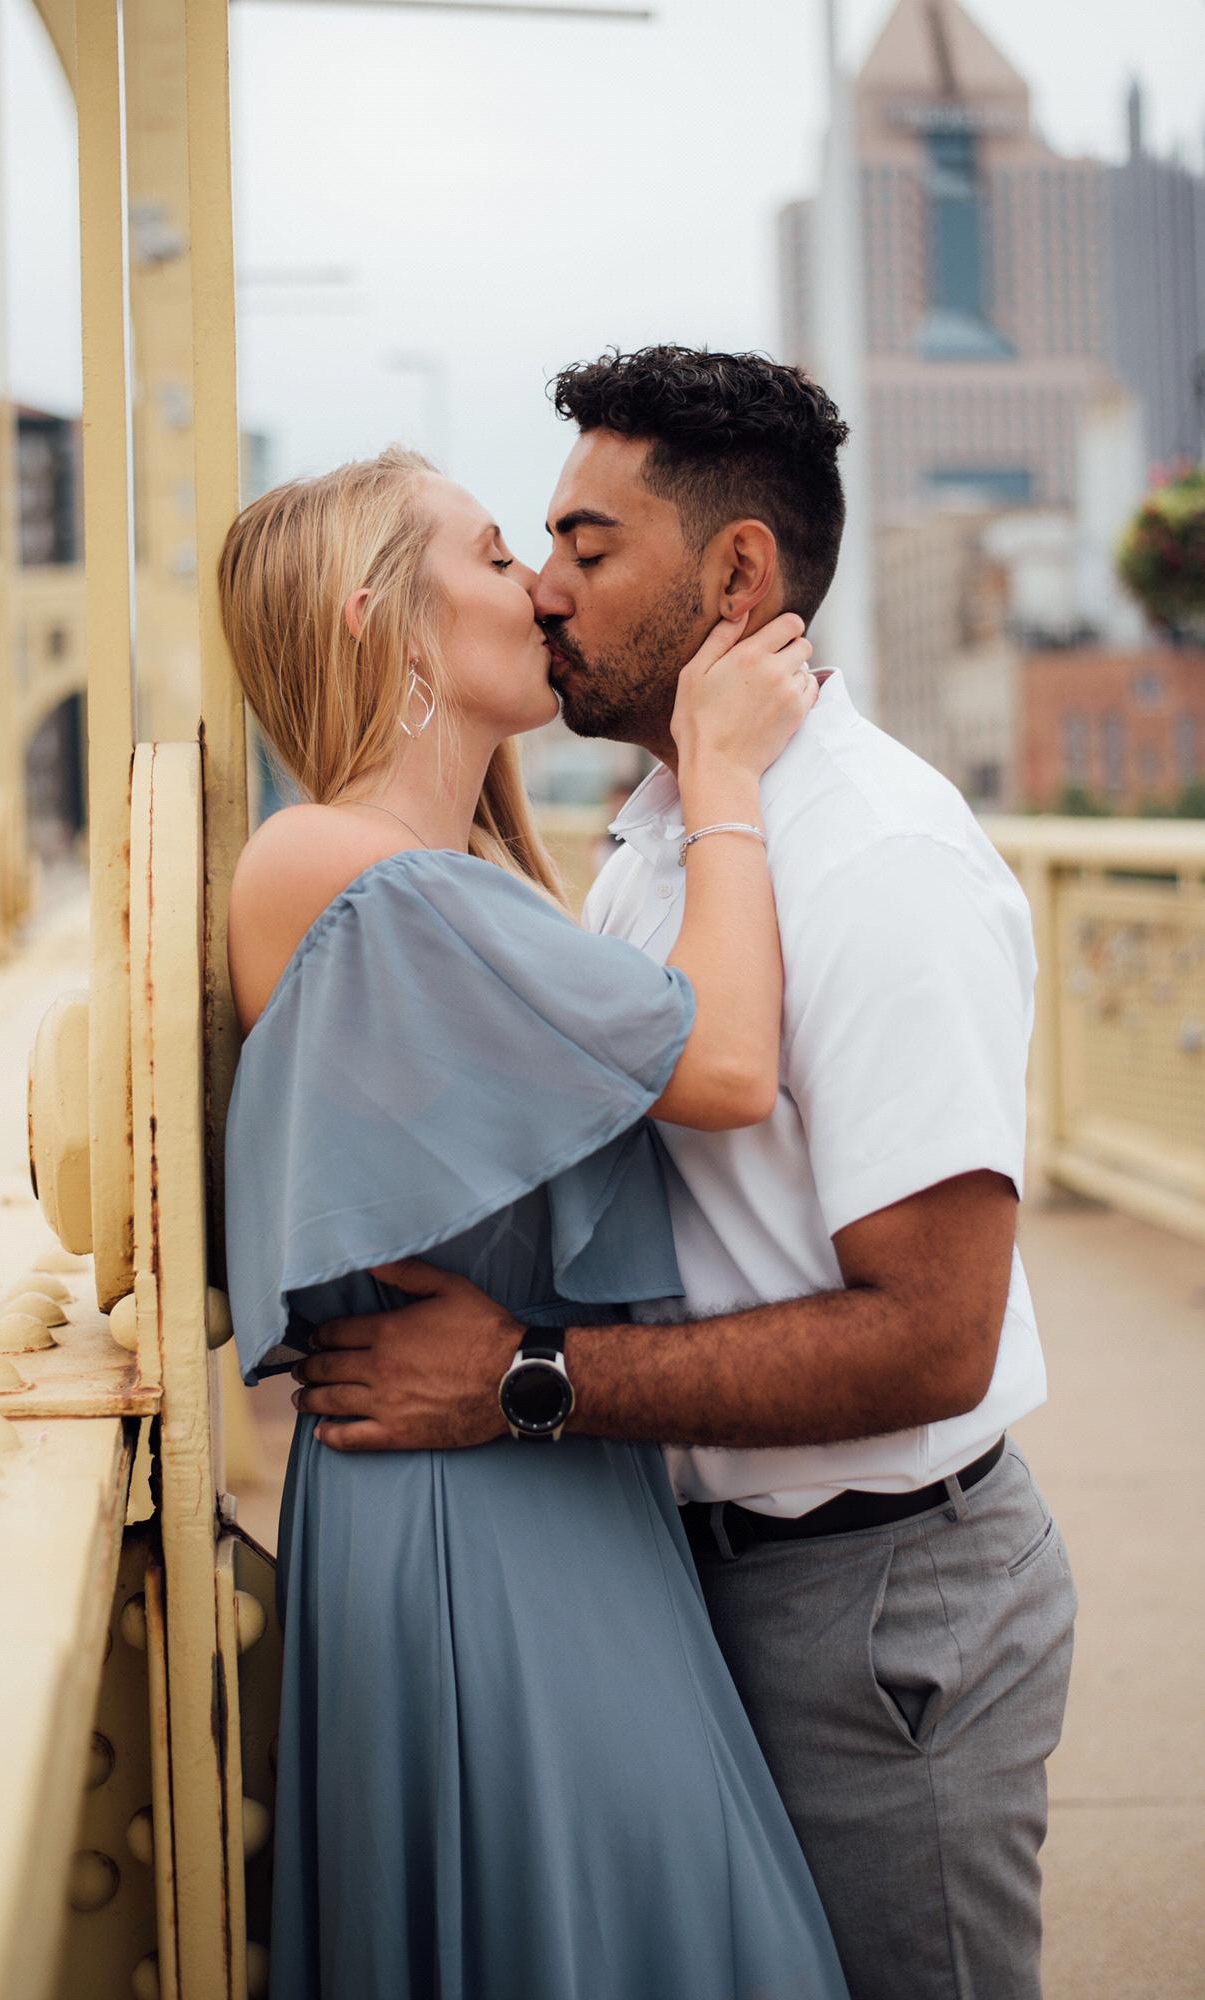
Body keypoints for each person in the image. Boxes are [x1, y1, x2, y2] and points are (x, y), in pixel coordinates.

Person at [291, 349, 1080, 2000]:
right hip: (694, 1574)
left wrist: (518, 1381)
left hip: (877, 1618)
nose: (550, 592)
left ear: (735, 576)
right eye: (534, 556)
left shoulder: (874, 863)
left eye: (588, 549)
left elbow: (933, 1338)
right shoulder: (663, 838)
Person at [219, 446, 849, 2000]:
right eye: (497, 554)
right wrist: (722, 772)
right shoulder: (343, 864)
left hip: (523, 1479)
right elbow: (723, 1062)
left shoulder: (457, 871)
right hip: (466, 1514)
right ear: (386, 618)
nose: (539, 588)